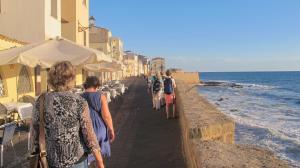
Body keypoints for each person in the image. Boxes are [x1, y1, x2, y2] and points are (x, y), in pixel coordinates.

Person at [30, 61, 104, 168]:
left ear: (51, 78)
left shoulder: (41, 101)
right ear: (71, 79)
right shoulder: (79, 102)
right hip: (76, 161)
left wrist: (33, 154)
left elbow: (34, 133)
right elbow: (89, 135)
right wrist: (99, 161)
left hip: (49, 161)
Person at [81, 76, 115, 165]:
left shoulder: (80, 97)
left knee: (88, 155)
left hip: (85, 127)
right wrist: (111, 129)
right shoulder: (101, 96)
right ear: (97, 85)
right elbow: (106, 115)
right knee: (98, 156)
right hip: (99, 127)